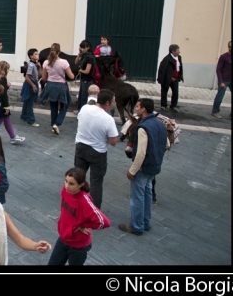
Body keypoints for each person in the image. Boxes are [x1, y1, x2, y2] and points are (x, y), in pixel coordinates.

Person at [119, 98, 168, 236]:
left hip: (143, 167)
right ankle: (146, 222)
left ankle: (137, 225)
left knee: (137, 197)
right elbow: (166, 144)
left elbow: (140, 153)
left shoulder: (142, 127)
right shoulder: (160, 124)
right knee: (147, 193)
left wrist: (132, 170)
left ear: (144, 109)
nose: (136, 108)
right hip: (154, 166)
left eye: (138, 106)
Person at [47, 167, 111, 266]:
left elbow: (104, 222)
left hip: (78, 247)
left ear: (81, 185)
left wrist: (83, 225)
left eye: (71, 184)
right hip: (63, 239)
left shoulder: (85, 201)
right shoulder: (66, 190)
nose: (67, 186)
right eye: (66, 181)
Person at [73, 89, 119, 209]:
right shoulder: (108, 119)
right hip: (97, 152)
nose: (114, 104)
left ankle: (75, 203)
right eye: (113, 102)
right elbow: (113, 142)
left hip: (81, 147)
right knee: (96, 183)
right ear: (108, 103)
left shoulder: (84, 108)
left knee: (77, 177)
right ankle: (94, 210)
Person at [41, 43, 75, 135]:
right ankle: (57, 123)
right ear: (59, 52)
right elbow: (71, 76)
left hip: (50, 85)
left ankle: (53, 125)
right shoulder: (64, 62)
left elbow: (43, 78)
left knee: (53, 106)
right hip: (61, 86)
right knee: (65, 105)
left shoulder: (46, 62)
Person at [0, 61, 24, 144]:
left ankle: (13, 137)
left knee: (6, 120)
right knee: (0, 121)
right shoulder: (3, 78)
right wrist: (6, 107)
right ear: (4, 69)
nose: (8, 71)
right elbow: (3, 94)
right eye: (7, 69)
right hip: (2, 103)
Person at [157, 44, 184, 113]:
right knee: (164, 92)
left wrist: (179, 76)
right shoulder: (167, 59)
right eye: (178, 50)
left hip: (176, 78)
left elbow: (179, 68)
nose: (179, 52)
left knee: (175, 92)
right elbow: (163, 70)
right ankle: (163, 105)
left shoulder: (179, 58)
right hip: (167, 79)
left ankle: (173, 106)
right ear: (173, 51)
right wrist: (169, 78)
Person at [20, 48, 41, 128]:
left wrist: (39, 67)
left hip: (33, 82)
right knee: (30, 103)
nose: (37, 55)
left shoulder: (35, 64)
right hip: (30, 84)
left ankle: (24, 115)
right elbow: (27, 77)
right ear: (31, 56)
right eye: (36, 54)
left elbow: (39, 76)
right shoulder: (31, 65)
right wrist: (33, 85)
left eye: (37, 53)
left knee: (27, 101)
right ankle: (31, 120)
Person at [212, 40, 232, 119]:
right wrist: (221, 81)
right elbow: (218, 69)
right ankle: (215, 111)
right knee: (220, 96)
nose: (231, 48)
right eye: (230, 47)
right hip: (224, 80)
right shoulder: (223, 57)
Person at [75, 39, 96, 112]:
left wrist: (80, 70)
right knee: (81, 95)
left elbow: (87, 71)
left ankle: (82, 111)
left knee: (84, 96)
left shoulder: (89, 57)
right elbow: (76, 62)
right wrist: (79, 54)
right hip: (83, 79)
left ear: (88, 48)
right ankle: (79, 109)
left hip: (87, 79)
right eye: (81, 47)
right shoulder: (84, 55)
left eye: (84, 48)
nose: (82, 49)